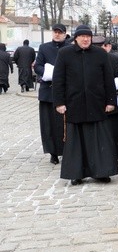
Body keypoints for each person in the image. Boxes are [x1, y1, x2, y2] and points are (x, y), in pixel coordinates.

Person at [52, 25, 118, 185]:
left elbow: (109, 79)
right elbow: (58, 80)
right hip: (74, 103)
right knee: (76, 141)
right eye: (82, 37)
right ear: (76, 38)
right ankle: (76, 173)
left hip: (97, 103)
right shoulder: (64, 53)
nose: (86, 39)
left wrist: (111, 101)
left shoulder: (100, 54)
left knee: (99, 140)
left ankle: (102, 172)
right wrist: (59, 102)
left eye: (88, 37)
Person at [34, 24, 69, 164]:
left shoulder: (69, 48)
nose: (57, 35)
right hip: (48, 91)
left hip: (66, 92)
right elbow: (37, 66)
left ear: (65, 34)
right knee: (49, 124)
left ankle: (67, 149)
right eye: (55, 32)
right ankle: (52, 152)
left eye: (60, 32)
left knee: (65, 123)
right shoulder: (44, 48)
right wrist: (49, 73)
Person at [97, 37, 118, 161]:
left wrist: (115, 88)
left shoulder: (114, 58)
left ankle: (115, 153)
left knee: (113, 126)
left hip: (112, 97)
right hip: (95, 99)